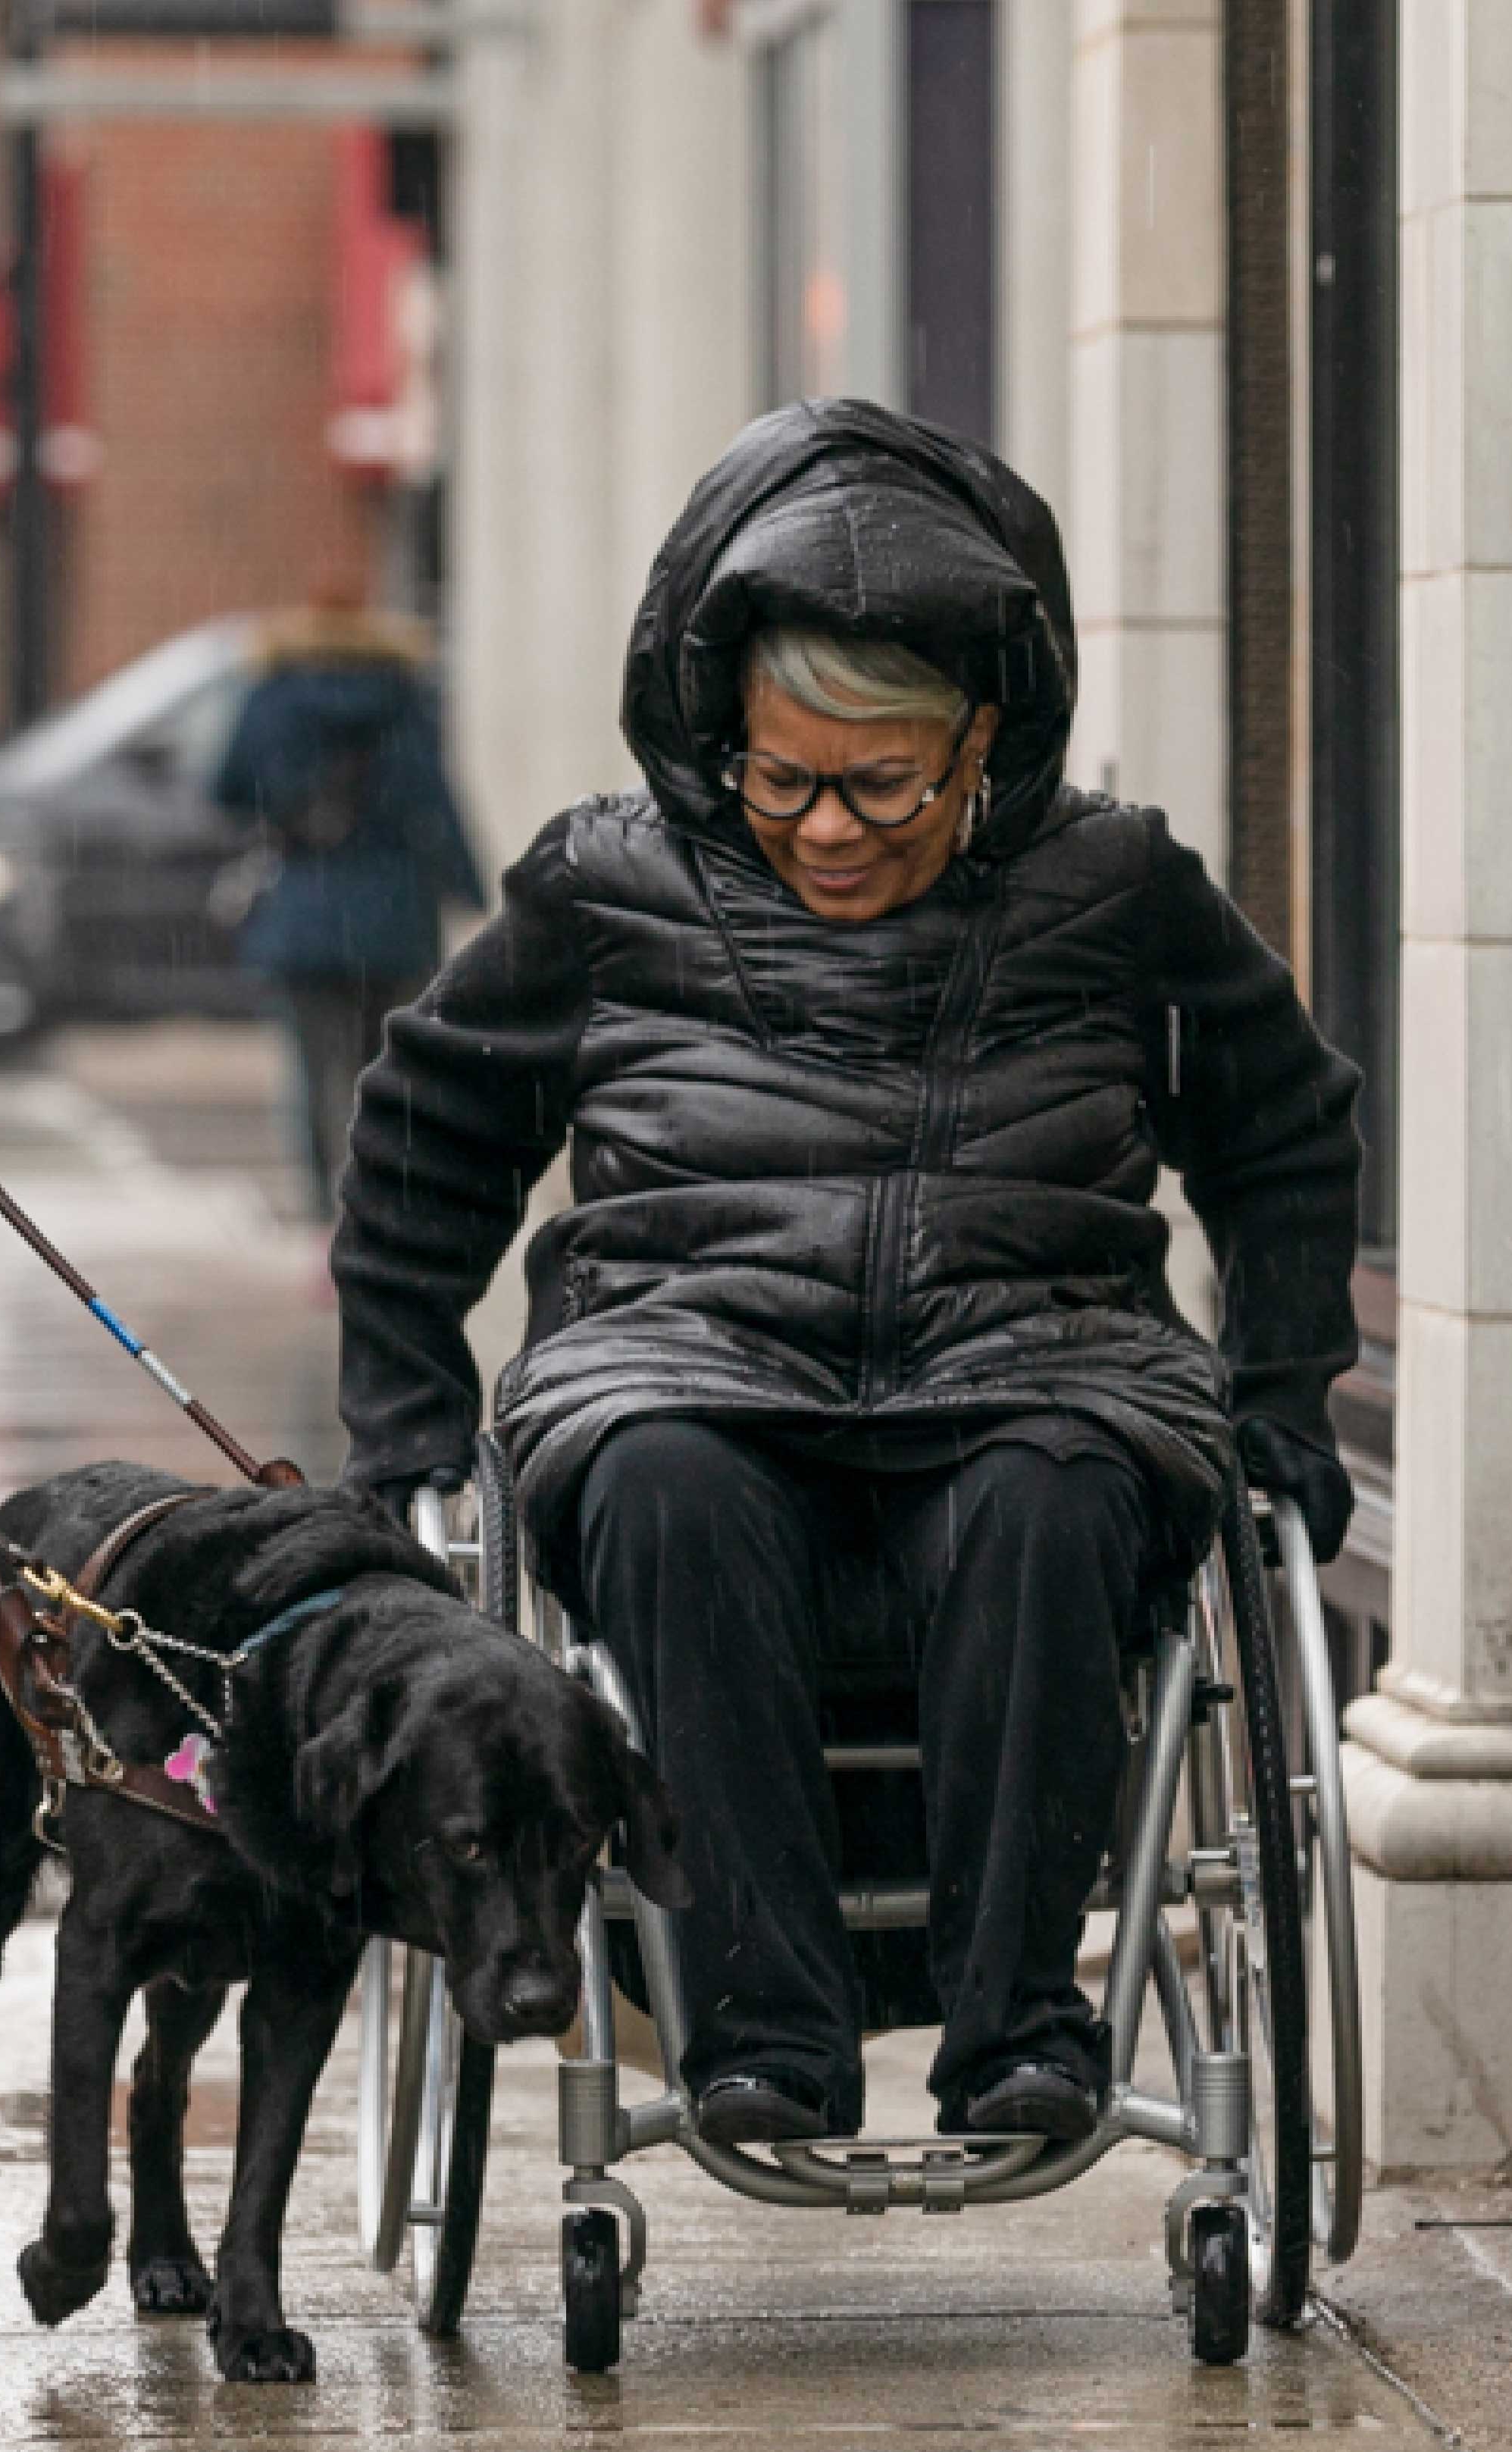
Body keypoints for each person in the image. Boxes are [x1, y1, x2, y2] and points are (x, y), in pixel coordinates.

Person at [331, 402, 1363, 2148]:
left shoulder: (1115, 888)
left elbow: (1281, 1134)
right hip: (688, 1381)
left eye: (880, 785)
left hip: (1036, 1379)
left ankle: (1023, 2033)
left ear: (983, 746)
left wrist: (1277, 1402)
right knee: (660, 1482)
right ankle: (760, 2041)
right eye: (780, 774)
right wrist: (405, 1426)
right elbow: (423, 1142)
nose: (823, 829)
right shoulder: (606, 889)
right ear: (712, 729)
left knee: (1055, 1498)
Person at [208, 603, 481, 1217]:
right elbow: (435, 804)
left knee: (311, 1075)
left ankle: (321, 1211)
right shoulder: (405, 699)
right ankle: (379, 1200)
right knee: (385, 1073)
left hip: (304, 906)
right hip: (394, 913)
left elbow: (224, 789)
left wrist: (282, 802)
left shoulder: (273, 696)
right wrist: (474, 891)